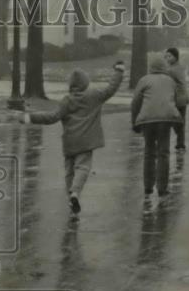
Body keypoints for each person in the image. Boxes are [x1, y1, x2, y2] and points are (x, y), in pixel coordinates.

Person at [20, 67, 123, 216]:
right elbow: (110, 89)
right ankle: (75, 193)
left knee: (69, 172)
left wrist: (30, 117)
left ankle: (71, 199)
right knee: (83, 168)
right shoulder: (94, 95)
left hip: (70, 142)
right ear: (85, 83)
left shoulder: (67, 100)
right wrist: (118, 72)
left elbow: (52, 117)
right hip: (86, 141)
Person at [131, 56, 182, 197]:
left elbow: (135, 102)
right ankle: (162, 188)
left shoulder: (144, 80)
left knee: (149, 152)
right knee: (163, 153)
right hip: (165, 120)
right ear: (164, 67)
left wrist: (134, 121)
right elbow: (175, 101)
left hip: (147, 120)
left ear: (151, 68)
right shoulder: (170, 81)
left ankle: (148, 186)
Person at [163, 47, 189, 153]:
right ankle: (180, 144)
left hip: (176, 99)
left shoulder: (170, 70)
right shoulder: (180, 67)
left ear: (175, 57)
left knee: (174, 121)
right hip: (183, 99)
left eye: (169, 56)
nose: (167, 58)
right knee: (181, 122)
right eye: (166, 56)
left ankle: (179, 144)